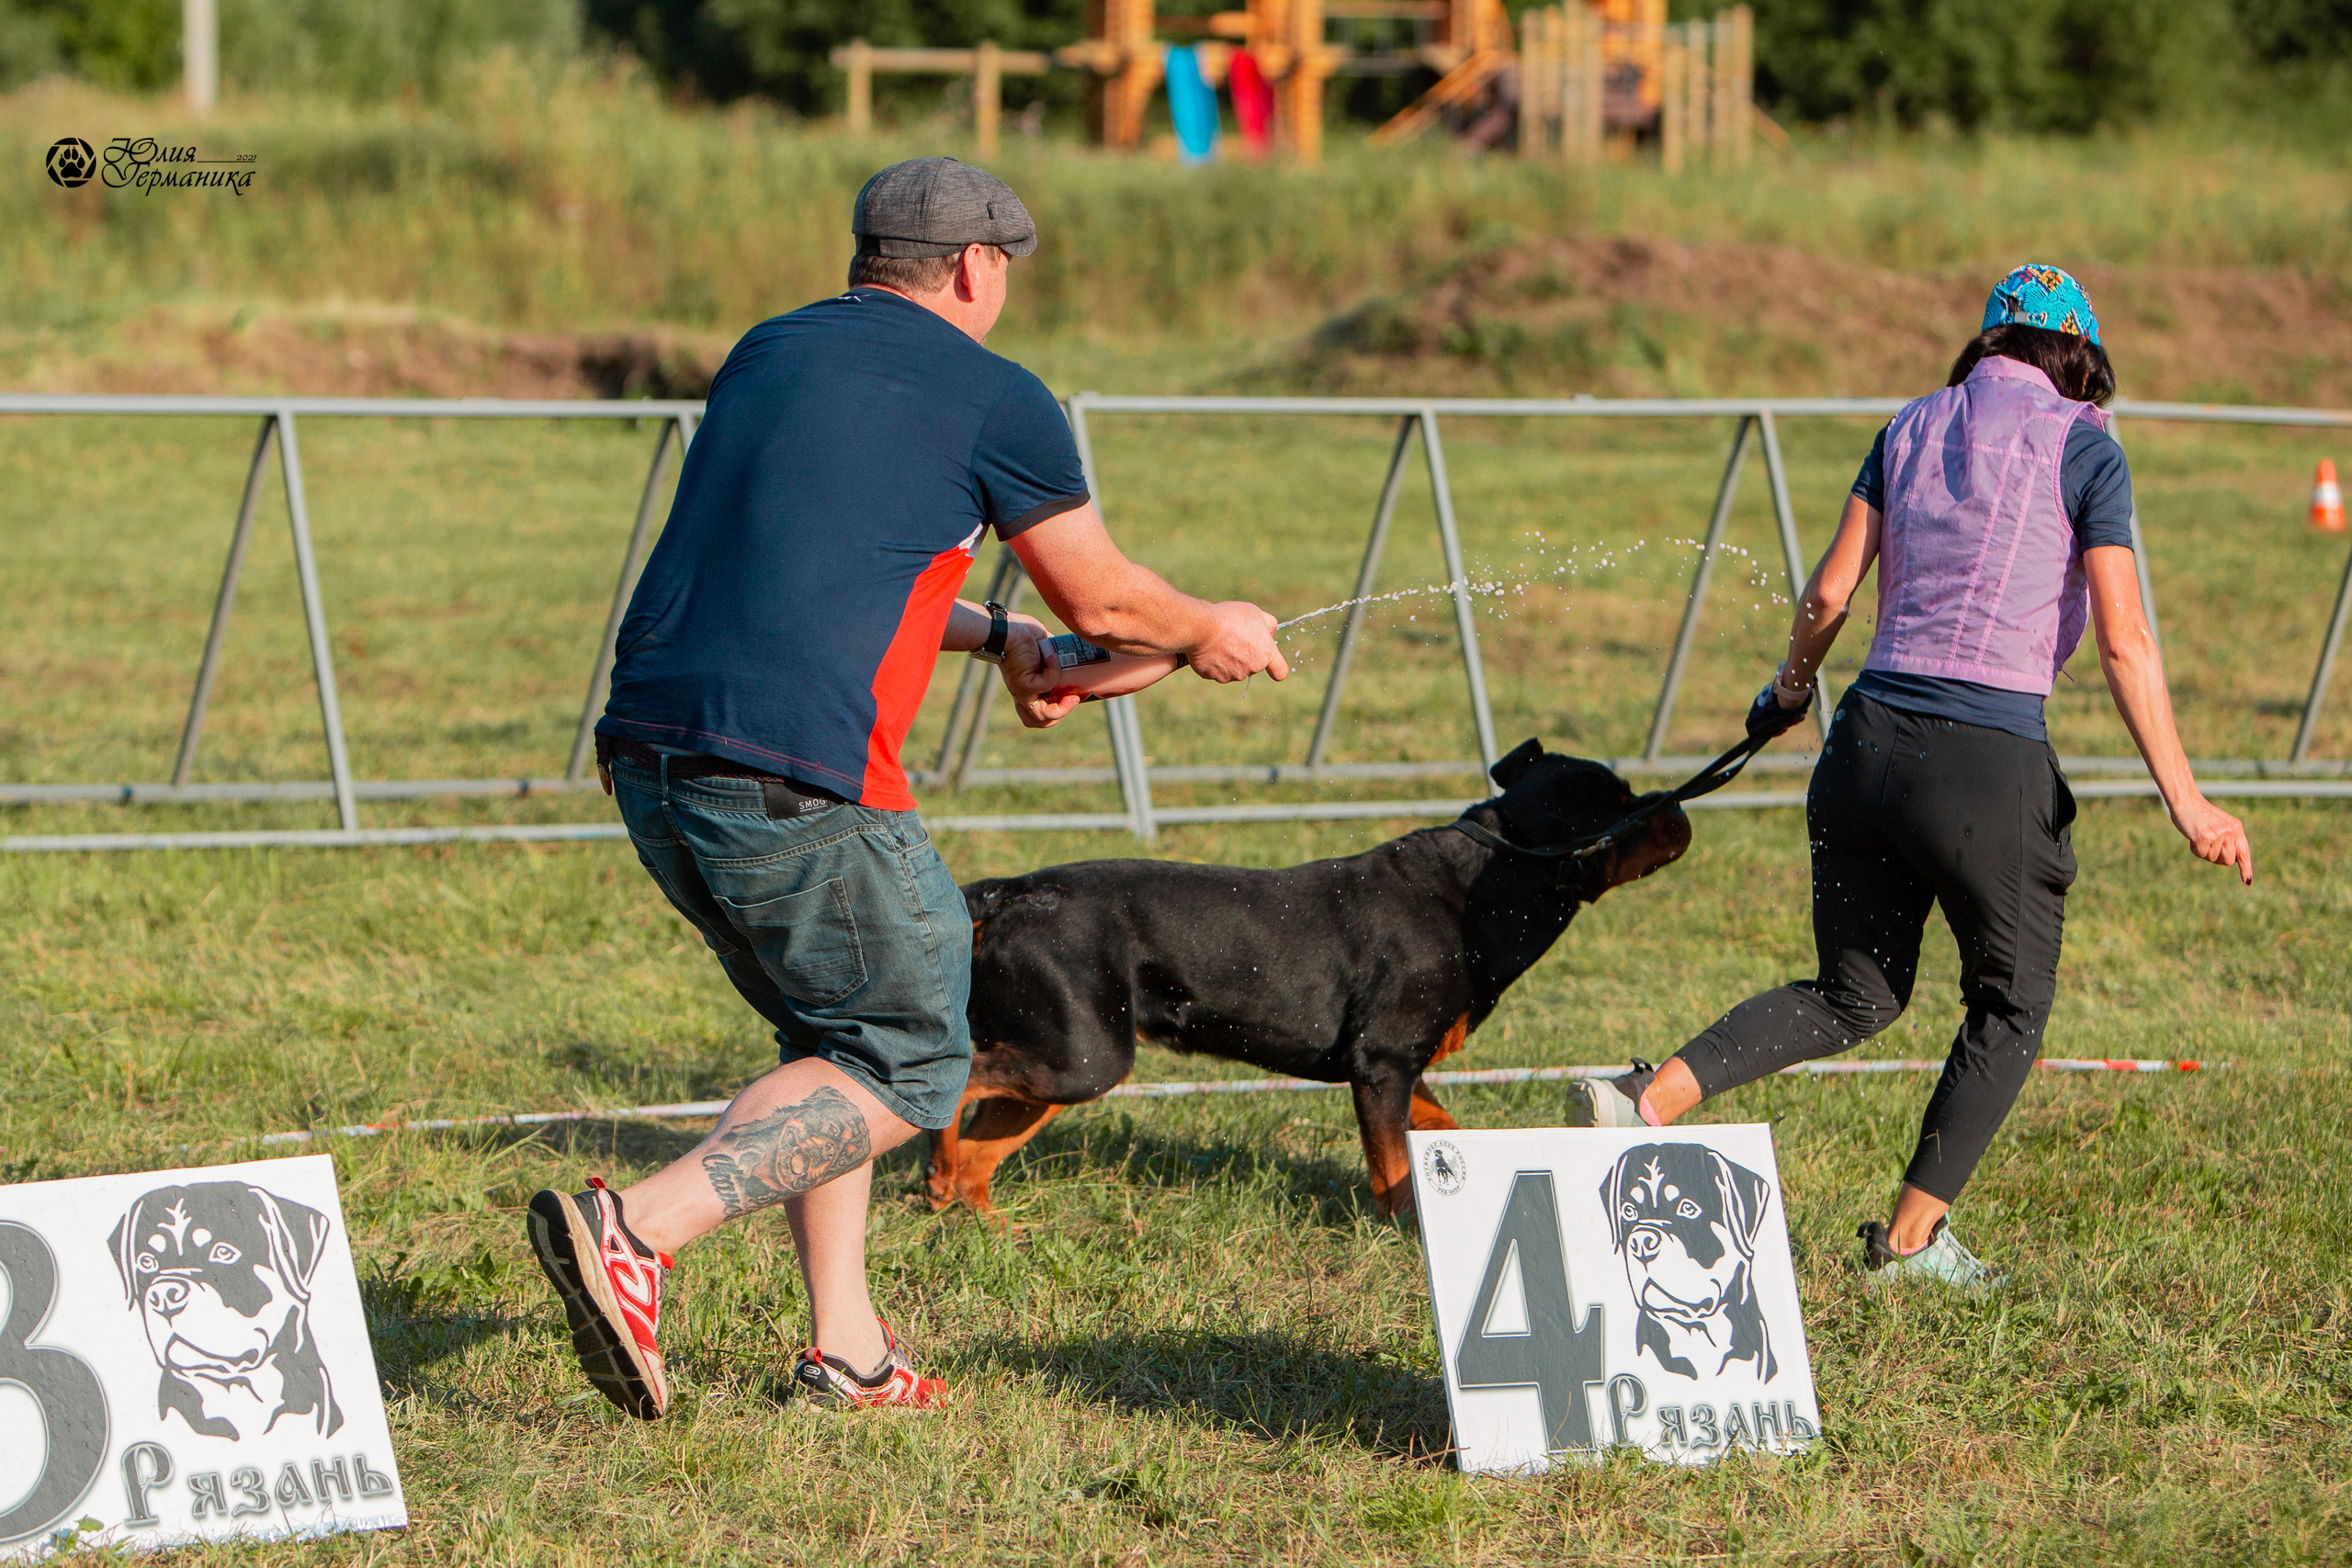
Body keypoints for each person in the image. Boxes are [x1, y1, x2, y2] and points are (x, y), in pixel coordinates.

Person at [526, 158, 1289, 1416]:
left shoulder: (770, 352)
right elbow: (1099, 597)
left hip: (653, 758)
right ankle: (638, 1229)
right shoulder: (1000, 398)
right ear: (979, 268)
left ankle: (851, 1351)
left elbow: (819, 559)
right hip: (797, 777)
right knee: (916, 1060)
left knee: (837, 1040)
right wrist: (1207, 624)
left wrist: (1000, 642)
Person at [1570, 265, 2254, 1290]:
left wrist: (1789, 690)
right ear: (2075, 356)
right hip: (1982, 764)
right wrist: (2186, 799)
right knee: (2011, 1005)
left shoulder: (1909, 424)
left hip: (1864, 745)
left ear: (1989, 345)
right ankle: (1907, 1244)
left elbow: (1832, 587)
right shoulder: (2085, 446)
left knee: (1853, 992)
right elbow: (2125, 641)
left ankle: (1648, 1098)